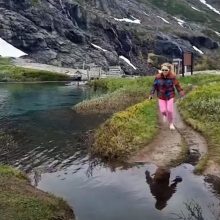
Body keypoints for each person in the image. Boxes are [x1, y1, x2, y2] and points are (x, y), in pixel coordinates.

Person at [148, 63, 184, 130]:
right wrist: (151, 94)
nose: (164, 71)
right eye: (163, 70)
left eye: (166, 70)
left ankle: (171, 124)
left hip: (170, 95)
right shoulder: (158, 77)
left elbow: (177, 85)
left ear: (169, 70)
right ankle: (165, 115)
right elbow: (154, 86)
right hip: (161, 96)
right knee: (163, 110)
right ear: (161, 70)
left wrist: (181, 93)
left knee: (169, 110)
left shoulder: (172, 77)